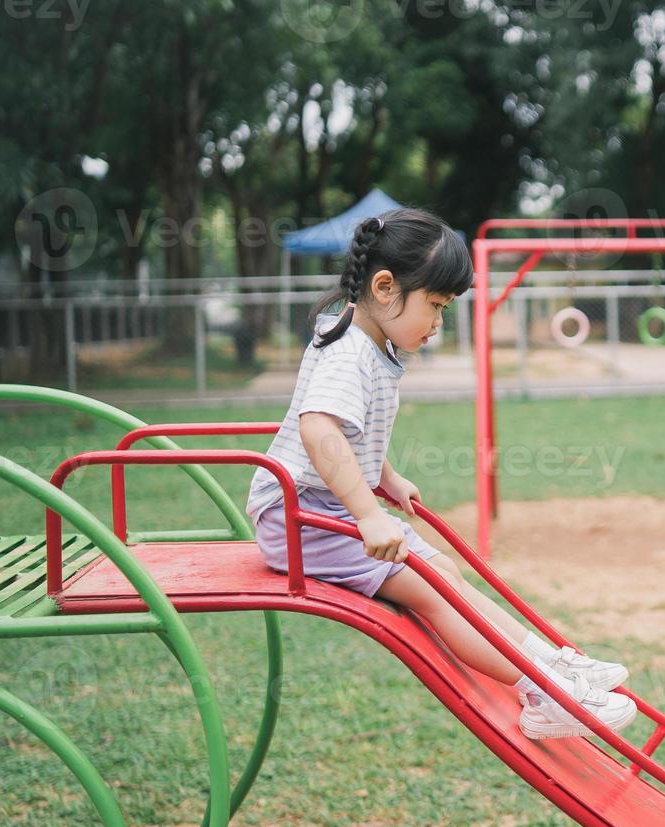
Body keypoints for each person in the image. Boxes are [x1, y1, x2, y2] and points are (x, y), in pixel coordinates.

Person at [246, 207, 634, 740]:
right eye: (434, 305)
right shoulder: (347, 355)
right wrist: (368, 516)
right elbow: (320, 431)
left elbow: (352, 432)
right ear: (385, 287)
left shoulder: (365, 344)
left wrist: (387, 476)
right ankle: (542, 691)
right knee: (434, 591)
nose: (438, 323)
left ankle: (551, 663)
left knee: (445, 574)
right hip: (301, 518)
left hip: (317, 508)